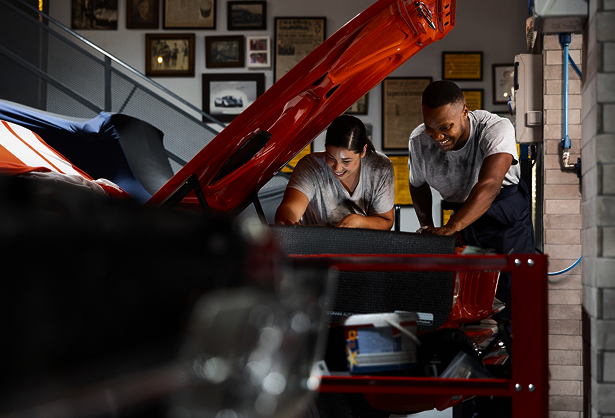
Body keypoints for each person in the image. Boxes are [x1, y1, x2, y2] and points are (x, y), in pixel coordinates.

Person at [408, 80, 534, 318]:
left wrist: (452, 226)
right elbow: (417, 185)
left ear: (465, 112)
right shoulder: (418, 141)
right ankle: (474, 352)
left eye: (445, 127)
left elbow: (490, 185)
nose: (437, 136)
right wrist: (427, 225)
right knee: (464, 298)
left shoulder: (496, 128)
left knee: (513, 298)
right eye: (430, 127)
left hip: (505, 217)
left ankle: (514, 353)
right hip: (463, 219)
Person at [275, 115, 395, 230]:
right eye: (331, 157)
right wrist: (287, 222)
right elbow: (289, 208)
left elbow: (386, 221)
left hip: (362, 247)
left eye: (346, 161)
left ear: (363, 151)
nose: (337, 168)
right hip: (316, 246)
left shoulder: (379, 168)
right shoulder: (310, 166)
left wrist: (358, 221)